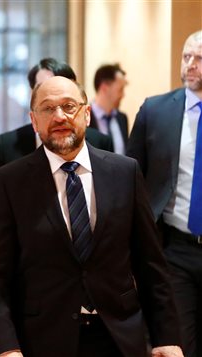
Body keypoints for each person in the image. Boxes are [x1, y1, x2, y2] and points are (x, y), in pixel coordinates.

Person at [0, 76, 182, 357]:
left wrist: (167, 337)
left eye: (68, 106)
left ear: (86, 114)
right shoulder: (9, 182)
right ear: (34, 122)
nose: (59, 116)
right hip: (41, 340)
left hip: (118, 337)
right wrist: (4, 348)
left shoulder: (125, 173)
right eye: (48, 109)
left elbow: (151, 265)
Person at [127, 30, 202, 357]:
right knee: (178, 345)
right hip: (175, 248)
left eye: (199, 59)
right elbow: (130, 180)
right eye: (187, 57)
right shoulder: (155, 111)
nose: (190, 65)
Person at [0, 58, 113, 176]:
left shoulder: (100, 142)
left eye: (68, 104)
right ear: (32, 93)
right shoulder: (7, 145)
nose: (59, 116)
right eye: (44, 87)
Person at [90, 63, 129, 154]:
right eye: (120, 90)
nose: (123, 95)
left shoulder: (122, 118)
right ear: (104, 88)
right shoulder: (84, 118)